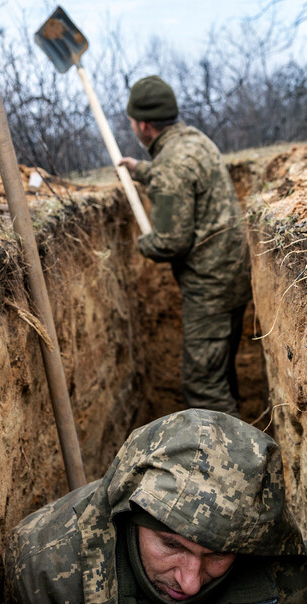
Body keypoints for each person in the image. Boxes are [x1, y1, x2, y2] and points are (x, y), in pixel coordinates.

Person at [4, 409, 307, 604]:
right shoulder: (49, 570)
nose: (189, 583)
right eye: (171, 546)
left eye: (218, 554)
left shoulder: (286, 574)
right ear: (130, 516)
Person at [118, 77, 251, 417]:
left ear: (144, 125)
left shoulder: (172, 165)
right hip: (233, 273)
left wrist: (142, 244)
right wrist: (143, 171)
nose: (133, 127)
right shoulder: (195, 141)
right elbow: (183, 177)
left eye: (133, 122)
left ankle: (229, 465)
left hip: (210, 288)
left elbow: (170, 242)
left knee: (204, 386)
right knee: (219, 370)